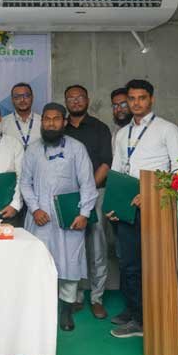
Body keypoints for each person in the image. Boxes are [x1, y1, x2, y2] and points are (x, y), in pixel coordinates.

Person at [108, 79, 178, 338]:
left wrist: (152, 192)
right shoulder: (122, 134)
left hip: (156, 207)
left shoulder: (167, 129)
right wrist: (112, 204)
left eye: (142, 98)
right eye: (131, 98)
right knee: (128, 264)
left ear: (151, 99)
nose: (136, 103)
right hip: (126, 206)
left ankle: (155, 319)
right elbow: (117, 171)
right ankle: (136, 315)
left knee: (154, 265)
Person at [20, 102, 98, 332]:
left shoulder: (77, 148)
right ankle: (41, 310)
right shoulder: (33, 149)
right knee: (39, 263)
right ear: (41, 122)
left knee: (69, 264)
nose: (51, 123)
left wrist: (84, 213)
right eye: (47, 119)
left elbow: (87, 183)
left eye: (56, 119)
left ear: (64, 122)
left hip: (69, 218)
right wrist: (35, 209)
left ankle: (66, 311)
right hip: (40, 218)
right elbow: (24, 183)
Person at [63, 85, 113, 319]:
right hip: (68, 198)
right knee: (73, 248)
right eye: (70, 98)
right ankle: (76, 296)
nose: (75, 101)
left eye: (79, 97)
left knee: (97, 247)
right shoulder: (61, 129)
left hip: (96, 194)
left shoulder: (99, 128)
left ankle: (97, 298)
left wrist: (88, 191)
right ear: (66, 102)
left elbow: (105, 163)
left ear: (87, 100)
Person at [0, 82, 42, 151]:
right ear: (12, 100)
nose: (22, 100)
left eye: (26, 96)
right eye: (17, 97)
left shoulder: (42, 122)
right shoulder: (2, 123)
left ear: (32, 97)